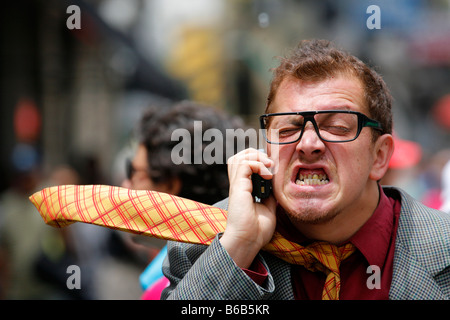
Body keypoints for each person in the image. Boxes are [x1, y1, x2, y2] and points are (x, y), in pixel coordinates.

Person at [161, 39, 450, 300]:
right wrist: (239, 246)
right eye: (288, 129)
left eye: (337, 127)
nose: (308, 143)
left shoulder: (443, 247)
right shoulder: (203, 246)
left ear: (380, 156)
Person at [121, 100, 246, 298]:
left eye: (134, 172)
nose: (125, 186)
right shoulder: (246, 266)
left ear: (170, 183)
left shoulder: (164, 289)